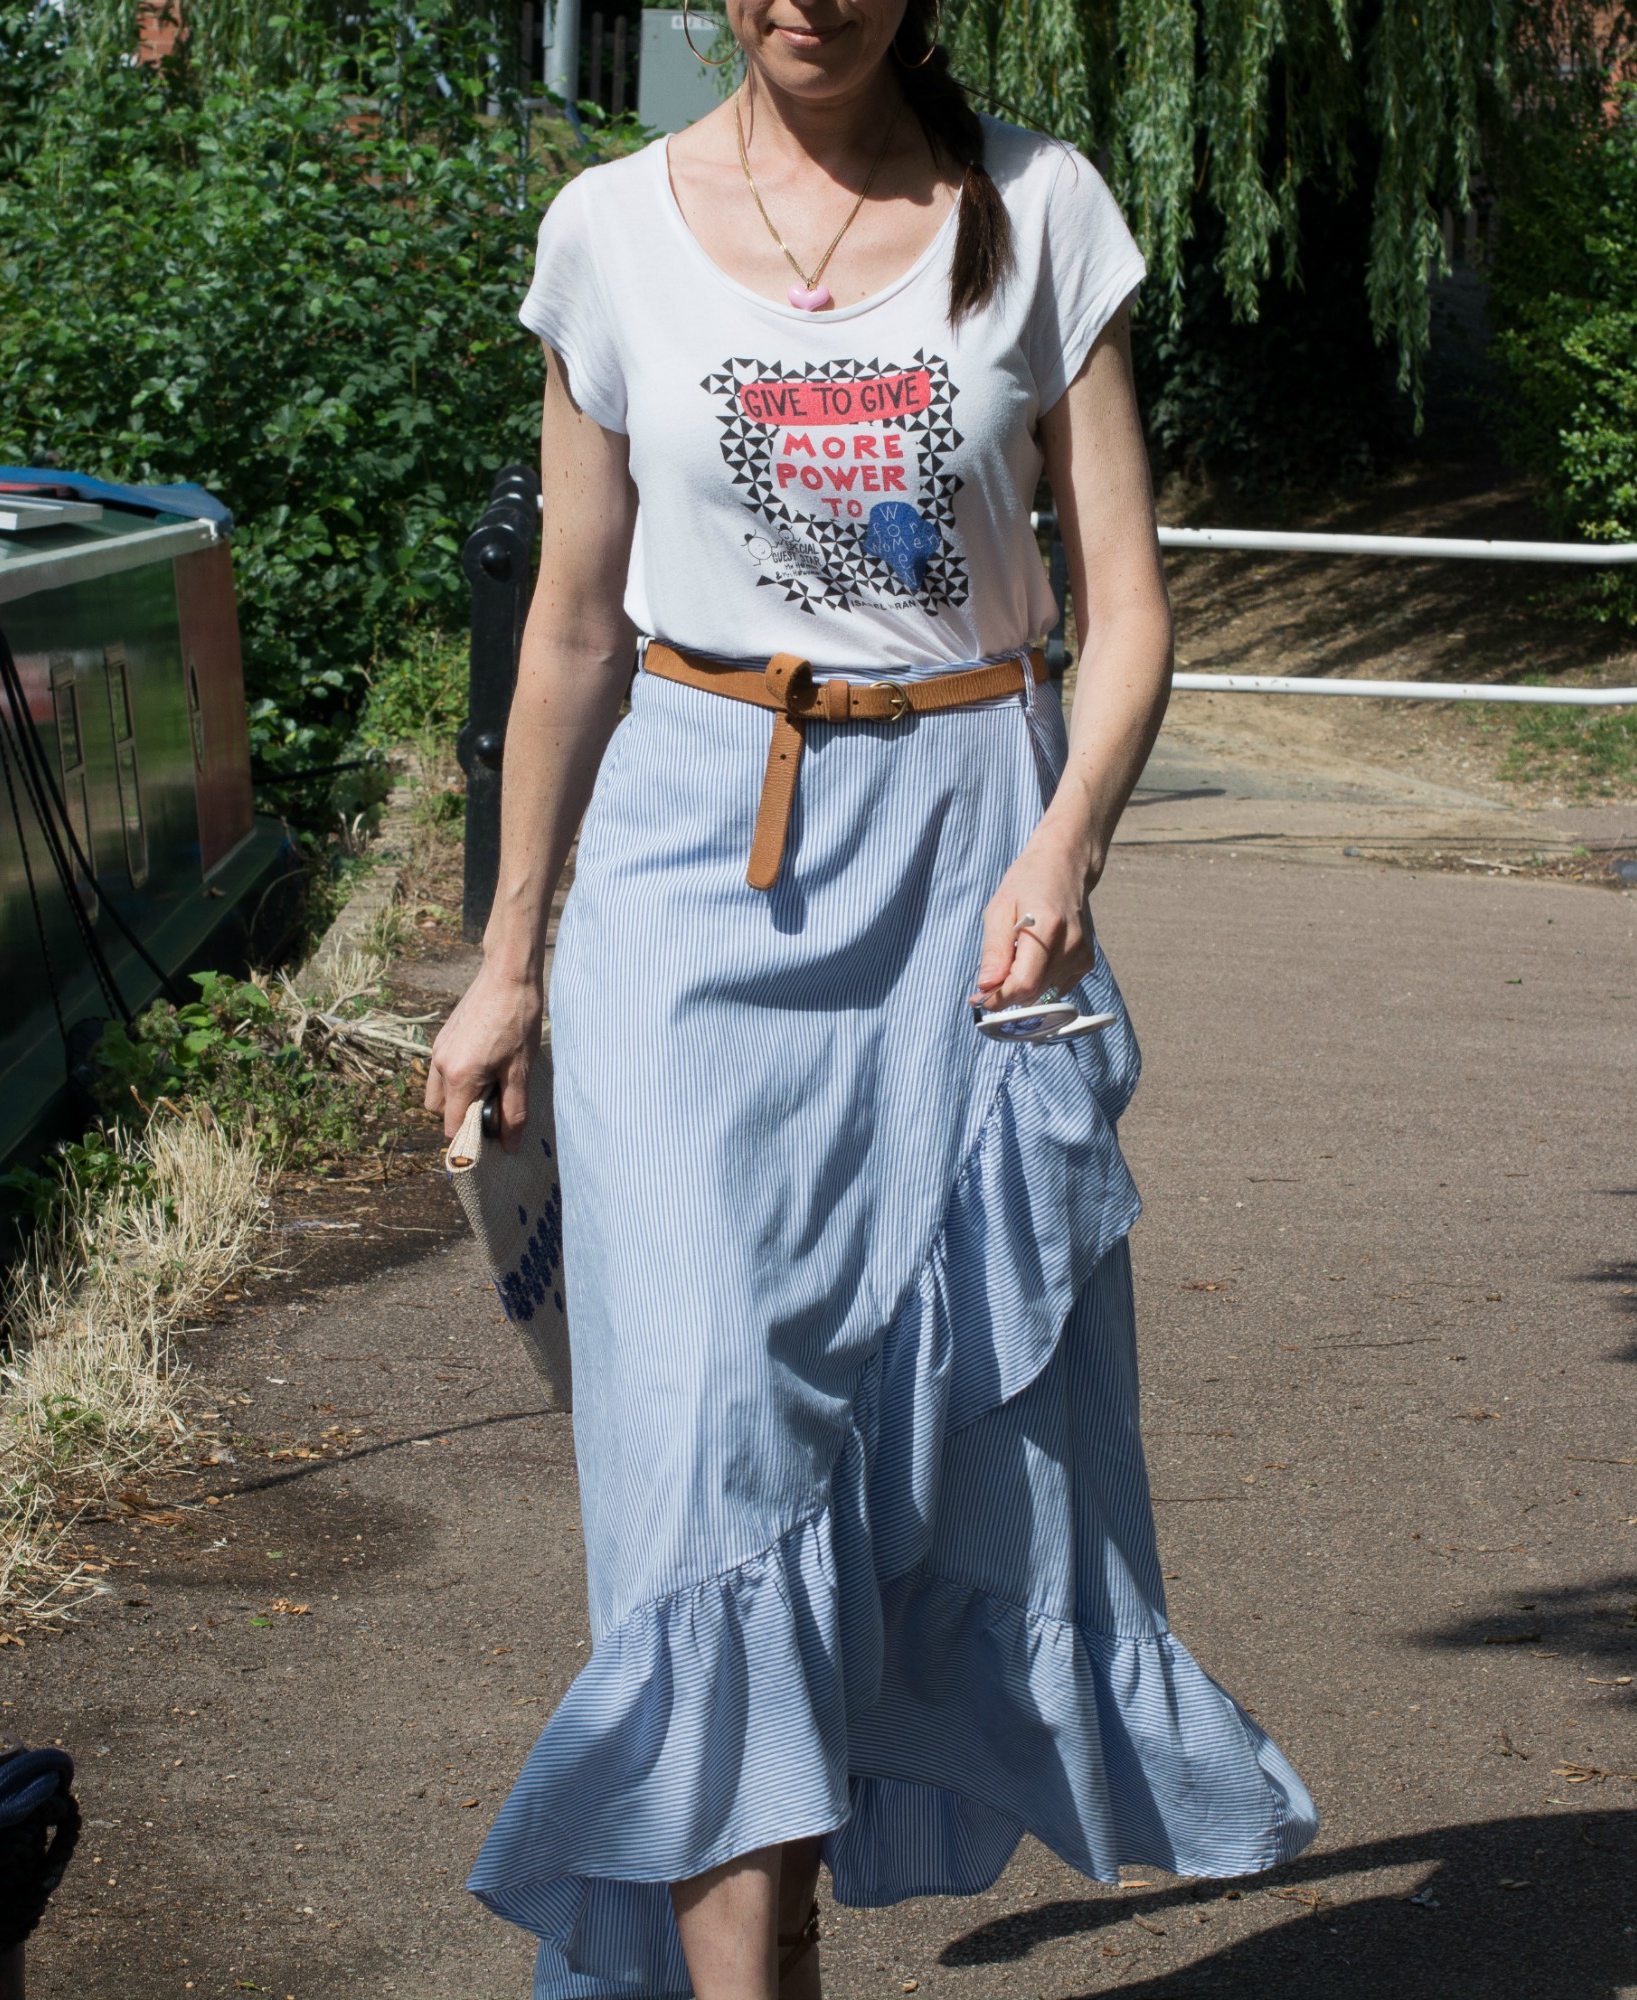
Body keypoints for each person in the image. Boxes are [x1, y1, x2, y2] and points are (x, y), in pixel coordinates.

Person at [424, 1, 1317, 1993]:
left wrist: (1068, 838)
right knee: (710, 1437)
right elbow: (571, 618)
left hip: (960, 856)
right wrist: (505, 965)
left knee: (919, 1455)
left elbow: (1125, 600)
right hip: (683, 853)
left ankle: (781, 1909)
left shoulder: (1040, 207)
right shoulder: (608, 229)